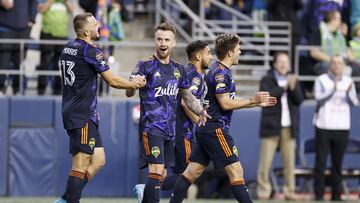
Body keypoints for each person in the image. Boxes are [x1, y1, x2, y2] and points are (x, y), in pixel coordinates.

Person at [169, 33, 277, 203]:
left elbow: (226, 102)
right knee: (236, 171)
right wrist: (252, 100)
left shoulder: (218, 70)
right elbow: (225, 103)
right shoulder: (220, 73)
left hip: (205, 129)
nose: (240, 52)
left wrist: (255, 103)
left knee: (191, 173)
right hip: (215, 129)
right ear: (230, 53)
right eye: (238, 49)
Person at [54, 13, 146, 203]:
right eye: (96, 24)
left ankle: (65, 199)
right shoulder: (90, 51)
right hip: (82, 113)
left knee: (98, 160)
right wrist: (133, 84)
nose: (99, 26)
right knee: (80, 163)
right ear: (86, 31)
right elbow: (111, 80)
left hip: (77, 110)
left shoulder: (68, 48)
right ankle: (71, 201)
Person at [126, 22, 210, 203]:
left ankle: (144, 195)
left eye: (167, 39)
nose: (162, 43)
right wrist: (134, 85)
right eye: (159, 39)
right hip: (151, 127)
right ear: (155, 41)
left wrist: (200, 111)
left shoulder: (179, 69)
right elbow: (128, 91)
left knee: (162, 174)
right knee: (155, 171)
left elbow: (187, 97)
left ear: (173, 43)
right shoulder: (144, 65)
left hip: (170, 131)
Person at [256, 52, 304, 200]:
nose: (284, 65)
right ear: (274, 64)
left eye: (286, 62)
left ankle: (289, 191)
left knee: (289, 163)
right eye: (281, 62)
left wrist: (293, 87)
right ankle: (263, 191)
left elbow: (299, 100)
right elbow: (267, 96)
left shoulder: (292, 80)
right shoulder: (267, 79)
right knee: (265, 162)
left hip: (289, 127)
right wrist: (284, 87)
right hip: (271, 126)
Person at [313, 55, 358, 201]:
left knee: (337, 164)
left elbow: (354, 103)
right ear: (330, 65)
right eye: (334, 63)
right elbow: (318, 98)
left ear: (344, 66)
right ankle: (319, 195)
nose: (336, 66)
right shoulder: (321, 79)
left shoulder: (348, 81)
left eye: (339, 63)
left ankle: (336, 196)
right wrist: (333, 89)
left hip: (342, 126)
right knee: (320, 163)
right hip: (324, 125)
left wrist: (348, 91)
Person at [37, 0, 75, 95]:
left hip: (62, 34)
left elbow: (72, 10)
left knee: (59, 63)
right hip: (47, 33)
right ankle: (41, 89)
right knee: (45, 61)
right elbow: (41, 9)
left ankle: (58, 89)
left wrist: (66, 1)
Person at [0, 0, 37, 95]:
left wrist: (32, 19)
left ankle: (17, 90)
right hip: (4, 29)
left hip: (23, 30)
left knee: (19, 62)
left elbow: (33, 2)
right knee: (3, 62)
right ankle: (1, 89)